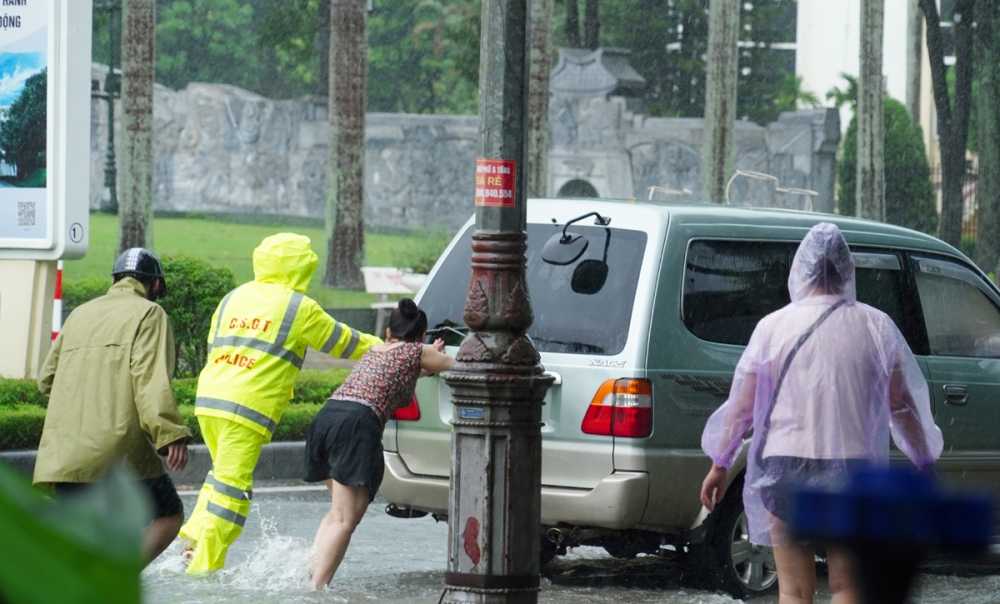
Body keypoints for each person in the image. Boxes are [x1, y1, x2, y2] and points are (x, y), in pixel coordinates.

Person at [699, 222, 943, 604]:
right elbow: (901, 404)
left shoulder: (771, 327)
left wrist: (719, 463)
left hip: (783, 467)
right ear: (848, 270)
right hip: (853, 470)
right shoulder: (876, 325)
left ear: (800, 269)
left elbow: (742, 407)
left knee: (793, 590)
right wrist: (925, 460)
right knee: (849, 586)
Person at [180, 233, 382, 573]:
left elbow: (214, 344)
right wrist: (388, 347)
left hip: (209, 400)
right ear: (300, 267)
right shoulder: (297, 307)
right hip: (245, 408)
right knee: (232, 493)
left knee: (219, 479)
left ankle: (193, 546)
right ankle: (202, 570)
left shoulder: (233, 297)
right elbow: (344, 342)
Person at [34, 248, 192, 566]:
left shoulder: (80, 314)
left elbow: (46, 381)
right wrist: (170, 433)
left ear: (115, 279)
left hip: (64, 455)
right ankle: (116, 584)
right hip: (116, 454)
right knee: (169, 515)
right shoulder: (149, 313)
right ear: (155, 284)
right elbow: (149, 380)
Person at [304, 298, 454, 589]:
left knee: (337, 513)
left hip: (327, 419)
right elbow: (459, 365)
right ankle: (314, 591)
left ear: (388, 332)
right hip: (356, 425)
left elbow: (409, 371)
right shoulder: (416, 351)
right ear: (422, 336)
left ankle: (305, 573)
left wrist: (427, 358)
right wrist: (432, 354)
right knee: (346, 519)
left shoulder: (375, 351)